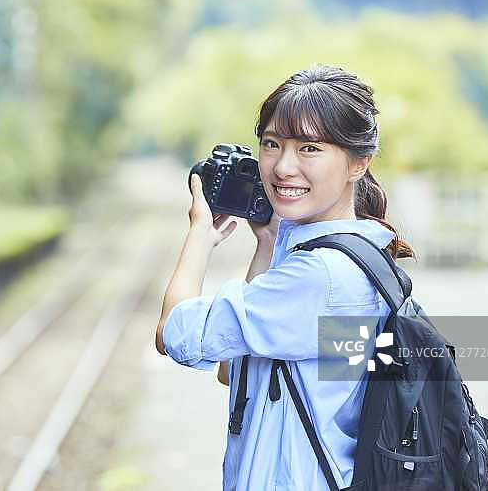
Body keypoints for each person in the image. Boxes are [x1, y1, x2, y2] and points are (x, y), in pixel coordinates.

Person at [155, 64, 415, 491]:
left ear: (359, 163)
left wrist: (200, 234)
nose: (283, 167)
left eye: (310, 148)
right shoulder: (362, 259)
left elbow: (173, 334)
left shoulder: (318, 278)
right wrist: (268, 242)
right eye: (272, 144)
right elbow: (233, 370)